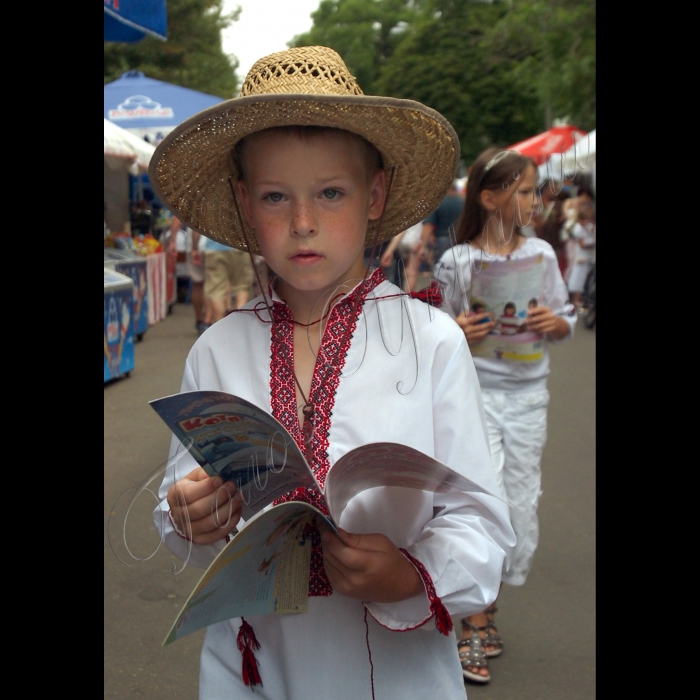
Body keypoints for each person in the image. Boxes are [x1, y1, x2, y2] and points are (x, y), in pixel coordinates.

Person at [149, 46, 514, 699]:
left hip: (396, 675)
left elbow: (481, 524)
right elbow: (182, 500)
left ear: (374, 194)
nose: (303, 221)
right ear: (243, 202)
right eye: (274, 196)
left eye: (330, 192)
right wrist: (188, 515)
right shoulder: (217, 348)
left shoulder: (429, 341)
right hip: (250, 667)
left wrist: (409, 576)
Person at [433, 147, 576, 684]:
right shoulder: (457, 262)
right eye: (522, 191)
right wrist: (456, 332)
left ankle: (486, 605)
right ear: (489, 198)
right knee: (479, 499)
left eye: (536, 191)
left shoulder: (541, 254)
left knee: (518, 504)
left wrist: (553, 323)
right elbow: (437, 333)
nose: (534, 201)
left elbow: (564, 315)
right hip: (476, 398)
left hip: (528, 397)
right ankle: (474, 622)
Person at [202, 236, 255, 324]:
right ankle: (239, 323)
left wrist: (194, 248)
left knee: (216, 291)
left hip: (214, 249)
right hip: (239, 246)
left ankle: (220, 325)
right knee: (242, 287)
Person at [171, 216, 208, 335]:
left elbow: (177, 216)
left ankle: (200, 320)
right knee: (215, 284)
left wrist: (172, 241)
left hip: (194, 244)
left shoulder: (191, 197)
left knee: (197, 284)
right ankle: (210, 318)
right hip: (217, 246)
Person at [567, 202, 596, 311]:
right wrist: (593, 242)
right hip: (581, 257)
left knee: (586, 278)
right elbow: (583, 244)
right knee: (579, 278)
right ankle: (576, 300)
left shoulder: (588, 226)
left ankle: (581, 299)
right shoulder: (577, 228)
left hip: (589, 257)